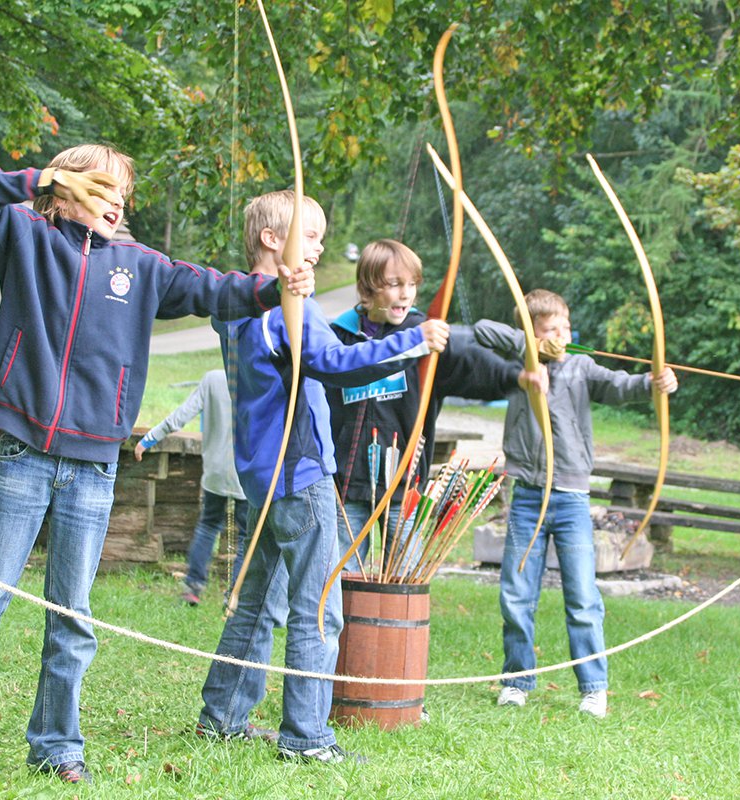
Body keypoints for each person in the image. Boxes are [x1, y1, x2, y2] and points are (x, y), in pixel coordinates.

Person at [0, 144, 314, 784]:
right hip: (23, 455)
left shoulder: (140, 266)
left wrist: (274, 286)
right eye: (101, 185)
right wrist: (42, 177)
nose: (116, 197)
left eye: (123, 189)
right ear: (64, 190)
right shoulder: (24, 234)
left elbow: (214, 287)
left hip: (94, 465)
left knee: (73, 614)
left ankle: (57, 746)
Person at [197, 190, 449, 764]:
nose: (319, 247)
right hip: (301, 473)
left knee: (261, 602)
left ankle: (222, 716)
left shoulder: (235, 304)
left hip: (261, 474)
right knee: (319, 610)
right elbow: (332, 364)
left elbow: (326, 354)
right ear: (272, 240)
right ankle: (307, 739)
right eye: (309, 237)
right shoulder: (282, 309)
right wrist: (414, 339)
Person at [474, 289, 677, 717]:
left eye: (565, 327)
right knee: (516, 594)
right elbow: (481, 331)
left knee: (583, 597)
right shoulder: (517, 366)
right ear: (531, 331)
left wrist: (654, 383)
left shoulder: (581, 367)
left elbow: (621, 386)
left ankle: (594, 687)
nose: (562, 336)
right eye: (552, 329)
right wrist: (530, 347)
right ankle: (516, 681)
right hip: (527, 496)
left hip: (570, 498)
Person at [327, 239, 541, 576]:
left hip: (404, 486)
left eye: (412, 284)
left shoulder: (424, 335)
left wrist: (517, 377)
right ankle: (338, 631)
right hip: (348, 485)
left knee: (405, 580)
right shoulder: (338, 337)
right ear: (366, 290)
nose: (405, 294)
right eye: (394, 284)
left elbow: (470, 362)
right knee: (337, 578)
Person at [134, 370, 251, 606]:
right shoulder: (257, 376)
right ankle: (235, 596)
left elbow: (181, 415)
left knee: (208, 526)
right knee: (246, 537)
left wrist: (149, 438)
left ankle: (193, 586)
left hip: (216, 472)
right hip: (248, 473)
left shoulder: (213, 379)